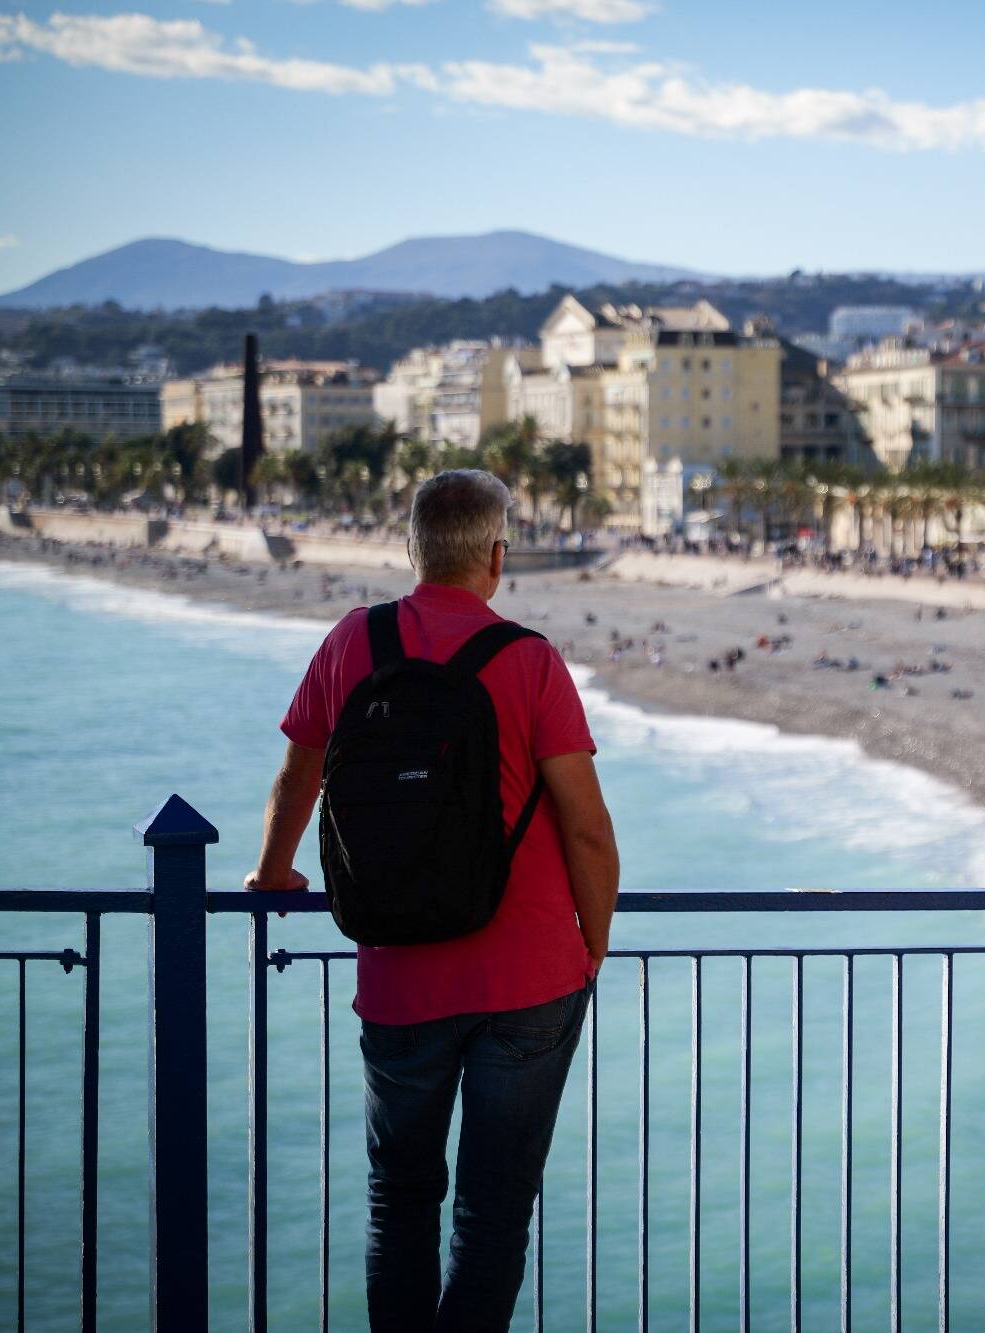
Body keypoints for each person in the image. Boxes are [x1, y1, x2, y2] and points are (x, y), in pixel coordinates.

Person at [245, 470, 619, 1331]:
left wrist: (273, 871)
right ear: (497, 555)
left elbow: (302, 767)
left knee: (400, 1199)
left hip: (400, 974)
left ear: (412, 549)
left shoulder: (353, 642)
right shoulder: (529, 659)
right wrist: (590, 942)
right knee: (493, 1210)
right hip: (530, 978)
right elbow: (588, 830)